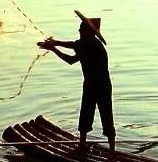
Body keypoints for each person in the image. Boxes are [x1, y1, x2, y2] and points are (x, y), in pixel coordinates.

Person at [41, 13, 115, 154]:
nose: (79, 31)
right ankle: (83, 146)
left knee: (106, 115)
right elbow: (73, 44)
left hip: (101, 85)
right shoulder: (87, 43)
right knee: (86, 113)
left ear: (88, 32)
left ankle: (111, 152)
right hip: (91, 84)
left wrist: (53, 48)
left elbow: (70, 59)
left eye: (81, 28)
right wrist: (55, 42)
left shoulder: (91, 45)